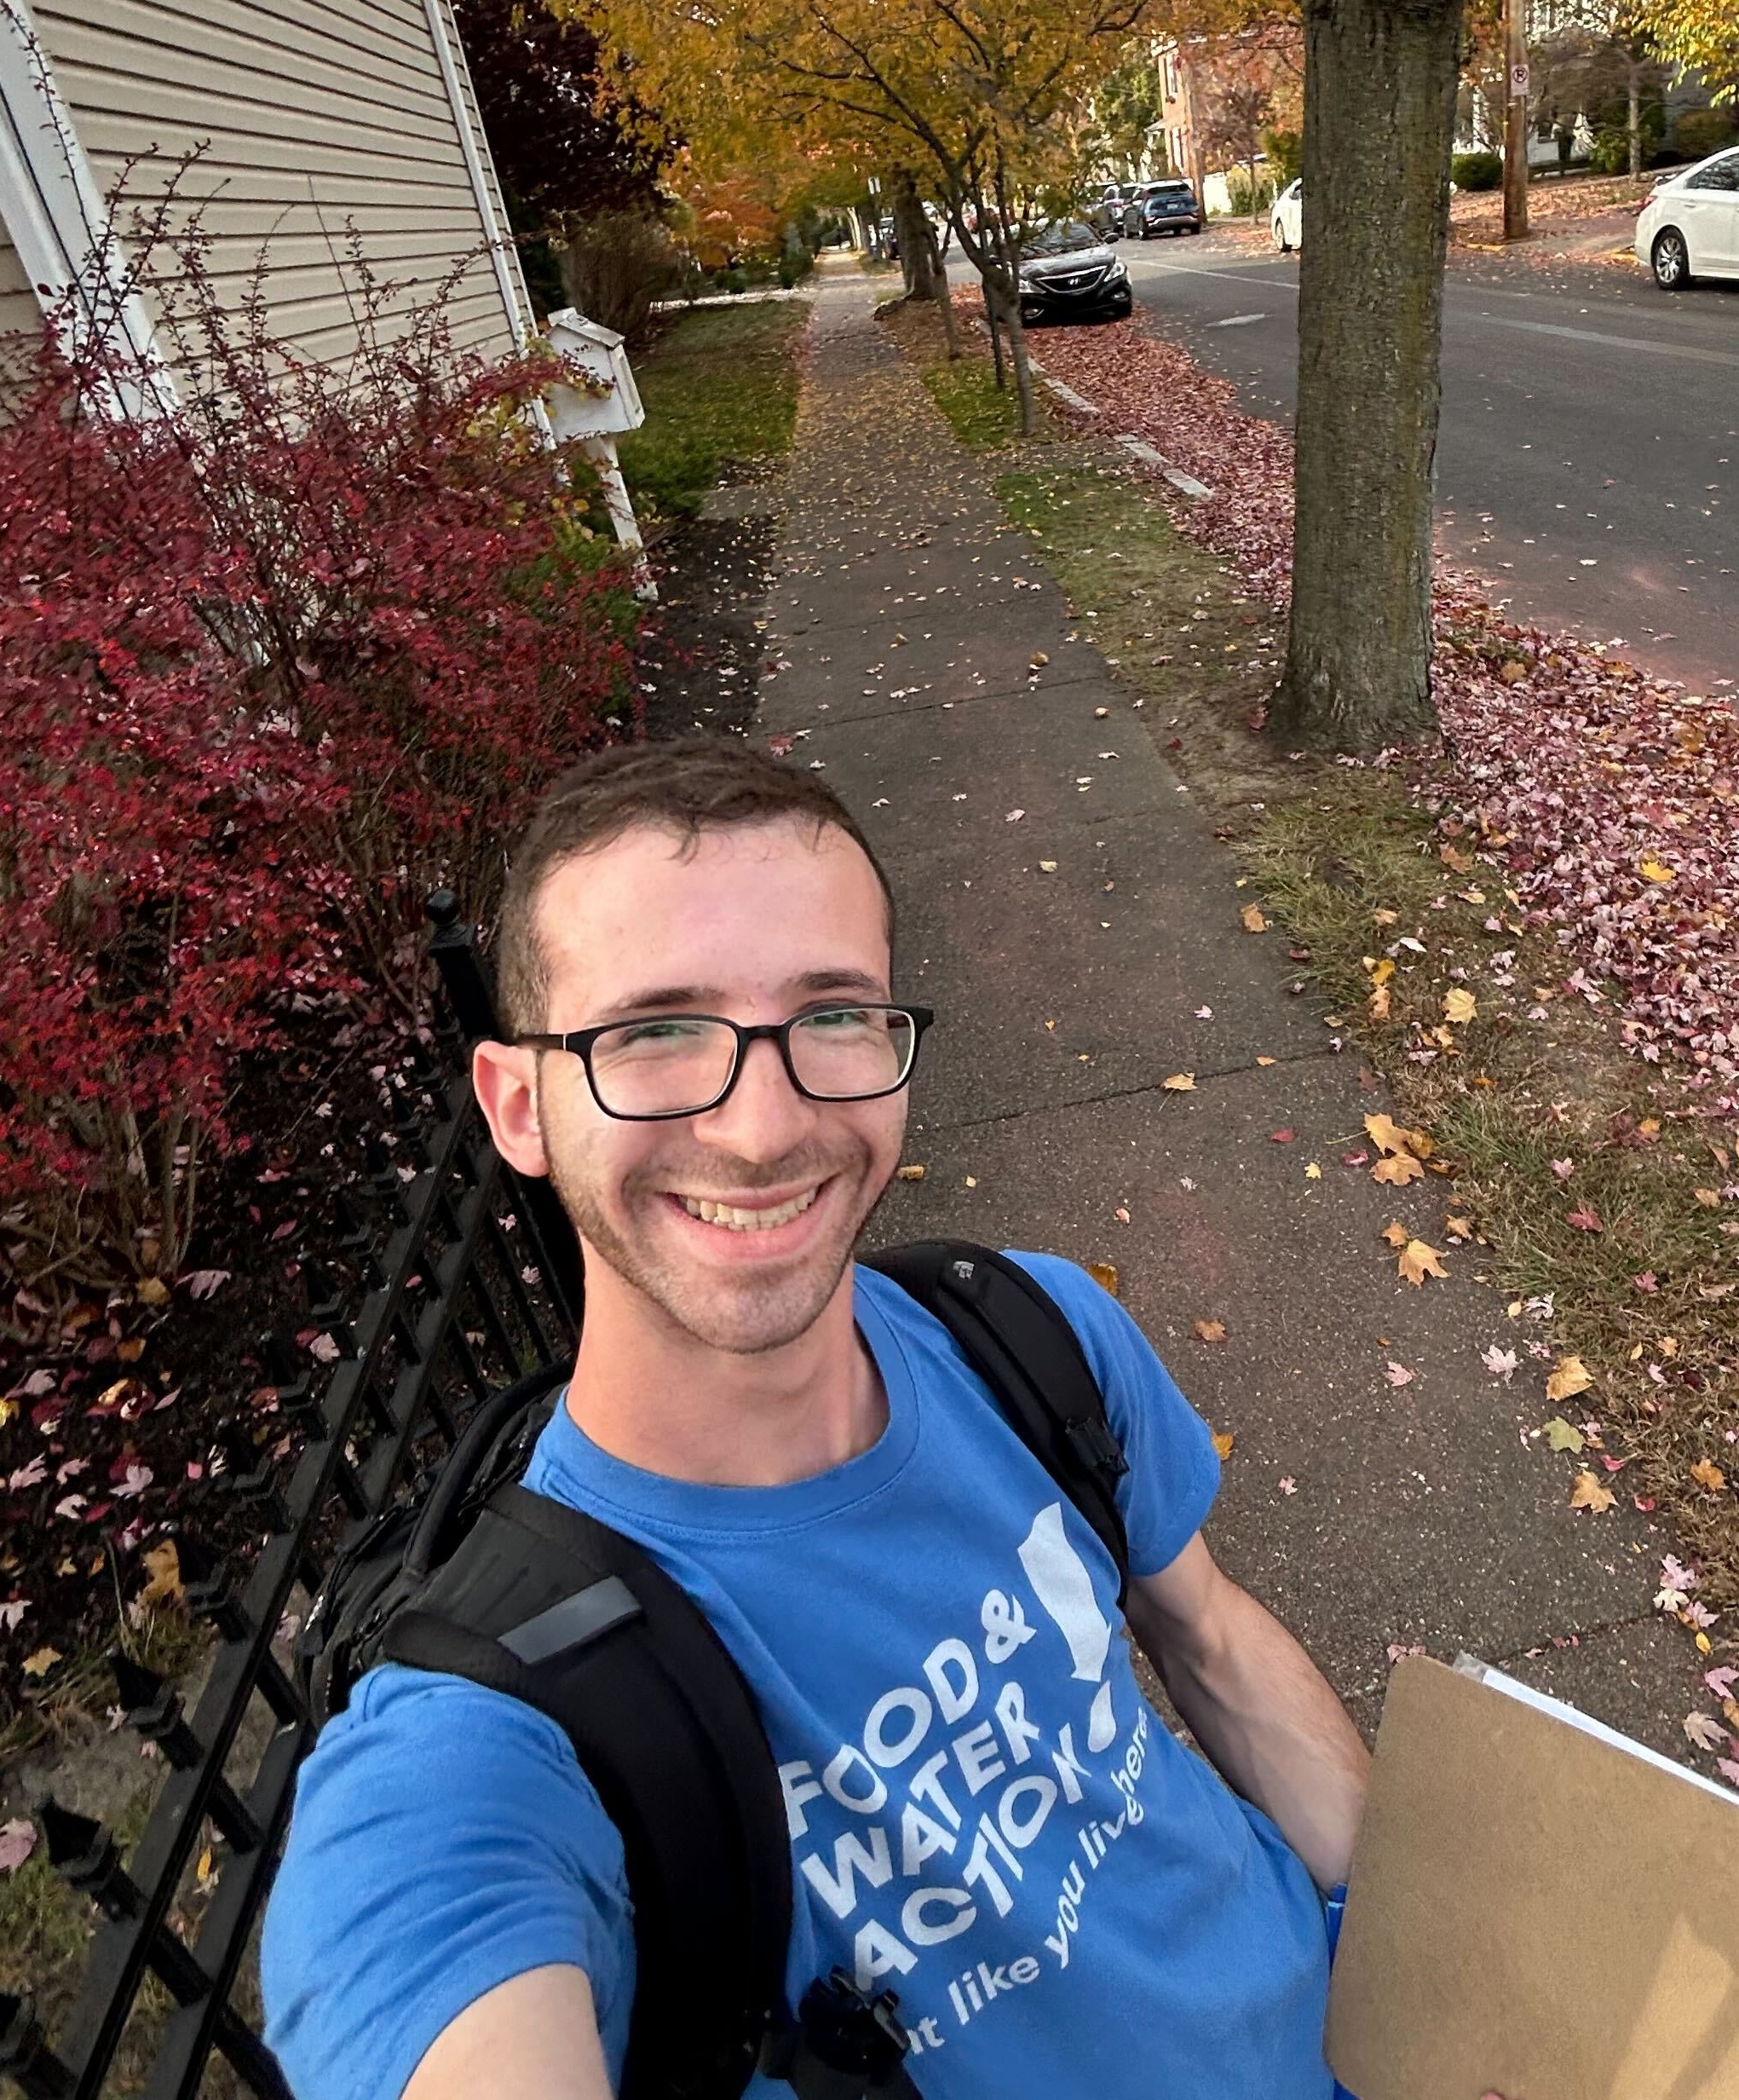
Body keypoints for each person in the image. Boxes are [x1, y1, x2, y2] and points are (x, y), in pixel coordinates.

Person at [262, 739, 1370, 2100]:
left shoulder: (1033, 1335)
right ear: (517, 1106)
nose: (761, 1126)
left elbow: (1212, 1640)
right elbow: (436, 1962)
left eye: (832, 1014)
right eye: (654, 1032)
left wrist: (1418, 1958)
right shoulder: (482, 1745)